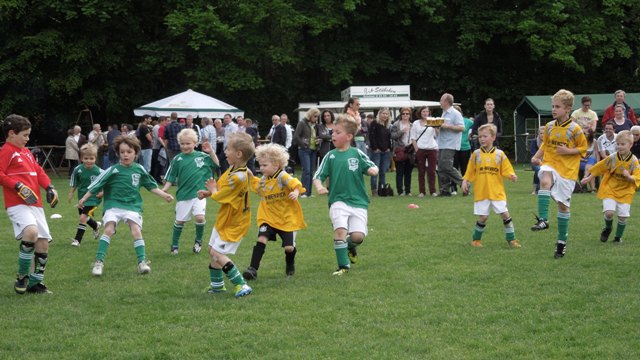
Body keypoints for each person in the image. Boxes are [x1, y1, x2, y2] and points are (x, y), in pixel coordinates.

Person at [80, 135, 174, 276]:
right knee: (109, 229)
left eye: (129, 152)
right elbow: (97, 185)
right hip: (113, 205)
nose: (125, 155)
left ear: (136, 153)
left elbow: (150, 186)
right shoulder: (113, 170)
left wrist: (164, 195)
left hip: (132, 206)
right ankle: (99, 262)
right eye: (122, 152)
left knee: (136, 230)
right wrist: (84, 198)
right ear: (118, 153)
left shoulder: (139, 169)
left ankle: (142, 263)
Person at [0, 114, 59, 294]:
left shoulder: (26, 152)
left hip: (36, 204)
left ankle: (35, 283)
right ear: (11, 134)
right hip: (17, 203)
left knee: (42, 243)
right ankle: (22, 275)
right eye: (25, 135)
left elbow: (39, 171)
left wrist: (49, 187)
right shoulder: (7, 150)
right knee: (31, 232)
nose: (27, 139)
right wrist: (16, 185)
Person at [313, 114, 378, 275]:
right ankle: (343, 266)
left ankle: (350, 247)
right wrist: (320, 186)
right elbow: (318, 175)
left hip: (358, 202)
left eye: (337, 132)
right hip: (338, 201)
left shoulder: (357, 153)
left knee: (357, 236)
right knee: (340, 231)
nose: (333, 135)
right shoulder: (330, 155)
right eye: (333, 132)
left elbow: (372, 166)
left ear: (349, 136)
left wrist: (372, 170)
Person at [530, 89, 587, 259]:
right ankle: (543, 219)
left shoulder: (575, 129)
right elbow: (545, 146)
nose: (554, 109)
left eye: (557, 106)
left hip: (567, 172)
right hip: (550, 164)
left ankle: (562, 243)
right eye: (553, 106)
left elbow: (583, 149)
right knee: (545, 180)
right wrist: (536, 156)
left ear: (568, 109)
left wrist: (568, 151)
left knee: (563, 207)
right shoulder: (548, 127)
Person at [196, 132, 254, 298]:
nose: (225, 152)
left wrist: (213, 191)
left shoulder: (239, 176)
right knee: (211, 250)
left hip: (236, 222)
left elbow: (221, 195)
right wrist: (209, 193)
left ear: (238, 154)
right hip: (226, 218)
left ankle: (241, 284)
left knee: (217, 253)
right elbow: (222, 188)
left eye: (228, 149)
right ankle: (217, 286)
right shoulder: (233, 170)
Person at [243, 143, 307, 280]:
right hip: (268, 217)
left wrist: (296, 192)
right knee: (261, 238)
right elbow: (257, 187)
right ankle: (252, 269)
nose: (261, 168)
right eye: (260, 165)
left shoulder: (282, 176)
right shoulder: (264, 179)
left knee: (289, 248)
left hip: (286, 218)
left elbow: (294, 183)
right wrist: (250, 176)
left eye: (264, 165)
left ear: (276, 165)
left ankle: (290, 263)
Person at [462, 124, 520, 249]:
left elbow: (506, 169)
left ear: (493, 137)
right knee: (483, 217)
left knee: (505, 214)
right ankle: (476, 240)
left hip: (497, 191)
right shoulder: (476, 154)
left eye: (485, 136)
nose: (481, 139)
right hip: (482, 192)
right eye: (480, 137)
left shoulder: (500, 154)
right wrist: (465, 181)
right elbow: (470, 170)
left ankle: (512, 239)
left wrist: (511, 176)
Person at [162, 129, 219, 255]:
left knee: (199, 218)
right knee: (179, 221)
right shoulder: (177, 159)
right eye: (182, 144)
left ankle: (198, 241)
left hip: (199, 195)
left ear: (195, 143)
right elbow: (171, 176)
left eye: (188, 143)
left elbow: (216, 164)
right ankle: (174, 245)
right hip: (183, 195)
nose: (185, 146)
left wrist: (211, 152)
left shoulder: (202, 157)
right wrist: (165, 189)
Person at [581, 130, 640, 243]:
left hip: (626, 191)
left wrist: (629, 177)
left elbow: (637, 177)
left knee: (622, 217)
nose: (619, 146)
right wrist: (589, 177)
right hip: (610, 188)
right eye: (618, 144)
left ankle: (618, 238)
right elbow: (600, 167)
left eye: (623, 144)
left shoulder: (634, 161)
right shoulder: (612, 157)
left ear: (630, 144)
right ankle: (608, 228)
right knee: (609, 213)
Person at [68, 143, 104, 247]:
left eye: (91, 158)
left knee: (83, 217)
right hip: (82, 198)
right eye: (86, 158)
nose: (89, 161)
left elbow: (108, 184)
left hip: (94, 199)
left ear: (95, 158)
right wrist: (71, 192)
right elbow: (74, 182)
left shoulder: (100, 171)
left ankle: (77, 240)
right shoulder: (78, 170)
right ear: (81, 158)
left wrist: (102, 193)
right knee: (84, 217)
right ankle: (96, 225)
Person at [437, 93, 465, 196]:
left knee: (446, 166)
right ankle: (445, 190)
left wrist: (447, 126)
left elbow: (462, 128)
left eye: (441, 100)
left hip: (450, 143)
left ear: (446, 102)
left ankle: (464, 184)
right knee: (441, 167)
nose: (440, 102)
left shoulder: (455, 113)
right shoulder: (444, 113)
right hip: (442, 143)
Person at [411, 106, 439, 197]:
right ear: (420, 112)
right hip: (421, 149)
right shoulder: (416, 123)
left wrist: (436, 127)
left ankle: (433, 191)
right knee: (421, 171)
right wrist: (417, 150)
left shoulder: (432, 121)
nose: (425, 113)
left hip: (432, 148)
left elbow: (437, 135)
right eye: (423, 111)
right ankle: (422, 192)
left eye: (427, 111)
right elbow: (413, 138)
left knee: (432, 171)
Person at [294, 107, 320, 198]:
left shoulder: (314, 125)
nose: (317, 118)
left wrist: (318, 141)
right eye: (315, 116)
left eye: (317, 117)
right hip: (304, 150)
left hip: (313, 150)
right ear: (310, 115)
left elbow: (314, 136)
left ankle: (308, 193)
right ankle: (303, 192)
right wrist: (303, 145)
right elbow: (296, 136)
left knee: (311, 172)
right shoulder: (302, 123)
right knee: (307, 171)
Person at [391, 107, 414, 196]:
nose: (405, 115)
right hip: (400, 150)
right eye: (403, 114)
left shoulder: (412, 125)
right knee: (399, 172)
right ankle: (400, 191)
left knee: (408, 172)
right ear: (400, 115)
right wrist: (401, 131)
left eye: (407, 114)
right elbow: (393, 136)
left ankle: (408, 191)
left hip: (410, 150)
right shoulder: (396, 124)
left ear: (410, 115)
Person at [368, 108, 392, 195]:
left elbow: (388, 138)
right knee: (375, 171)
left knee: (383, 172)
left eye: (387, 114)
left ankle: (382, 190)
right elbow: (371, 136)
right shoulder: (374, 123)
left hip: (386, 151)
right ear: (379, 114)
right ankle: (374, 190)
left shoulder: (387, 125)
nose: (385, 115)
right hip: (376, 152)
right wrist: (375, 148)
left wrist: (389, 147)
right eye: (383, 113)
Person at [452, 105, 474, 194]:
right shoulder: (450, 122)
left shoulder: (467, 121)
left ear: (460, 113)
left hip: (465, 148)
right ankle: (453, 189)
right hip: (453, 147)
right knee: (454, 168)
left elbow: (476, 126)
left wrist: (472, 134)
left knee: (465, 169)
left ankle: (465, 189)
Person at [579, 126, 598, 193]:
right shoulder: (579, 141)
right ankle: (593, 188)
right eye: (582, 133)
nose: (583, 135)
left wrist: (598, 163)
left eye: (585, 133)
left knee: (592, 160)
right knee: (591, 167)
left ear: (590, 134)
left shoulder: (594, 141)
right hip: (581, 161)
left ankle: (585, 177)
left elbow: (596, 153)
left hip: (589, 162)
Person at [530, 126, 545, 194]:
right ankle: (535, 188)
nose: (542, 135)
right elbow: (533, 154)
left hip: (546, 161)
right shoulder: (534, 141)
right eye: (541, 133)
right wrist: (539, 161)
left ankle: (544, 187)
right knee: (538, 169)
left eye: (544, 133)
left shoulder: (549, 142)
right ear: (538, 134)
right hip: (535, 161)